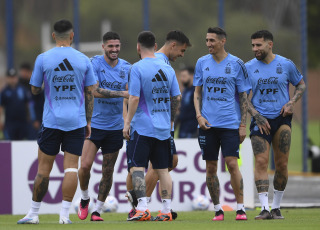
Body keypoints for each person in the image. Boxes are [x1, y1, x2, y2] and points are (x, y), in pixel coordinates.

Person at [17, 19, 96, 224]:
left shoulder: (43, 58)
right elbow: (90, 93)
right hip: (76, 122)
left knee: (44, 169)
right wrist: (88, 121)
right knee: (71, 168)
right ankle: (64, 215)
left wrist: (47, 85)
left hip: (51, 120)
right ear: (72, 35)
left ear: (53, 36)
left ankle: (33, 214)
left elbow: (34, 88)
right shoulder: (83, 60)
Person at [125, 30, 191, 220]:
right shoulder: (168, 69)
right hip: (164, 128)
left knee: (137, 168)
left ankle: (142, 208)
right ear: (155, 46)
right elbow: (176, 97)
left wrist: (127, 122)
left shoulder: (137, 68)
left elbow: (135, 97)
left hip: (144, 127)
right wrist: (169, 120)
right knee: (163, 169)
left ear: (138, 47)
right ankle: (166, 211)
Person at [245, 30, 306, 220]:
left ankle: (276, 207)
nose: (255, 49)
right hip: (259, 119)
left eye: (258, 45)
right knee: (261, 162)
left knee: (281, 164)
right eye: (253, 45)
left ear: (270, 45)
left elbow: (301, 85)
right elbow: (242, 97)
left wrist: (291, 102)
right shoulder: (248, 67)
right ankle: (264, 208)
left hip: (282, 119)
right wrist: (255, 114)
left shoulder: (286, 64)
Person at [193, 27, 250, 221]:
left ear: (223, 41)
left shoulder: (236, 64)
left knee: (232, 164)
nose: (208, 44)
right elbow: (197, 93)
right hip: (208, 124)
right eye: (207, 40)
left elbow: (243, 96)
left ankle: (240, 208)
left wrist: (243, 124)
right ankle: (218, 209)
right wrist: (199, 116)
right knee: (210, 168)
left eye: (212, 40)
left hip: (230, 124)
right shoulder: (201, 63)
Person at [77, 31, 131, 221]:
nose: (114, 50)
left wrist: (127, 121)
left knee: (107, 171)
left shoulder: (127, 67)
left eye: (117, 46)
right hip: (94, 125)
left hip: (115, 128)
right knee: (84, 166)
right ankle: (84, 198)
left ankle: (97, 210)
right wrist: (121, 94)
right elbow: (94, 91)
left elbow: (132, 97)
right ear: (103, 47)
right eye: (110, 46)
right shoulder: (95, 64)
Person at [0, 68, 31, 140]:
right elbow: (1, 107)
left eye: (14, 77)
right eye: (10, 77)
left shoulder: (23, 89)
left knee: (22, 141)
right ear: (7, 78)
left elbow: (28, 104)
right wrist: (1, 121)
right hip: (10, 122)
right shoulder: (4, 92)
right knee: (10, 140)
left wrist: (30, 117)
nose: (12, 79)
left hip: (22, 121)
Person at [18, 62, 45, 139]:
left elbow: (37, 104)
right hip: (20, 119)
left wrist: (36, 119)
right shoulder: (18, 85)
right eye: (22, 71)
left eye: (25, 71)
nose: (23, 73)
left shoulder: (35, 85)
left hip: (33, 120)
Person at [177, 66, 198, 138]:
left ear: (192, 76)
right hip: (183, 129)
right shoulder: (185, 91)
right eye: (181, 76)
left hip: (192, 131)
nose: (181, 79)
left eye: (184, 76)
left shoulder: (197, 91)